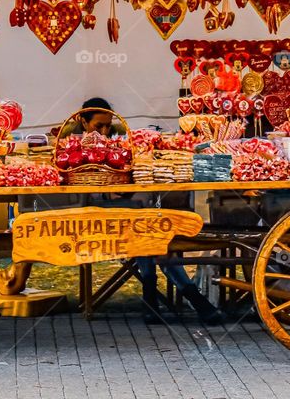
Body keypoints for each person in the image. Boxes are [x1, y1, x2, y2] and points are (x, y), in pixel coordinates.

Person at [80, 97, 223, 325]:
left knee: (148, 236)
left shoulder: (120, 141)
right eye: (99, 126)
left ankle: (152, 298)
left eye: (108, 125)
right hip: (99, 218)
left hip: (132, 215)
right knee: (150, 239)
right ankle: (194, 300)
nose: (105, 130)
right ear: (83, 122)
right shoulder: (77, 145)